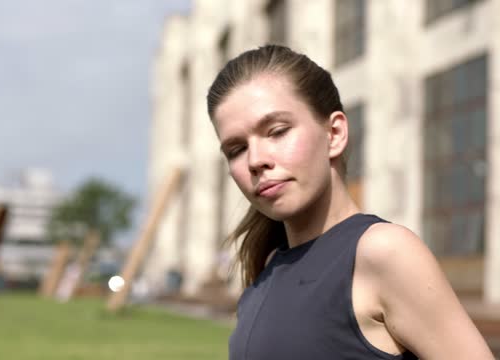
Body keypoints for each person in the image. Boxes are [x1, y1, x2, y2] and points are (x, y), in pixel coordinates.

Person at [206, 45, 493, 359]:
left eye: (277, 131)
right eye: (236, 149)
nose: (256, 160)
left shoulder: (383, 252)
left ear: (335, 133)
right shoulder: (267, 268)